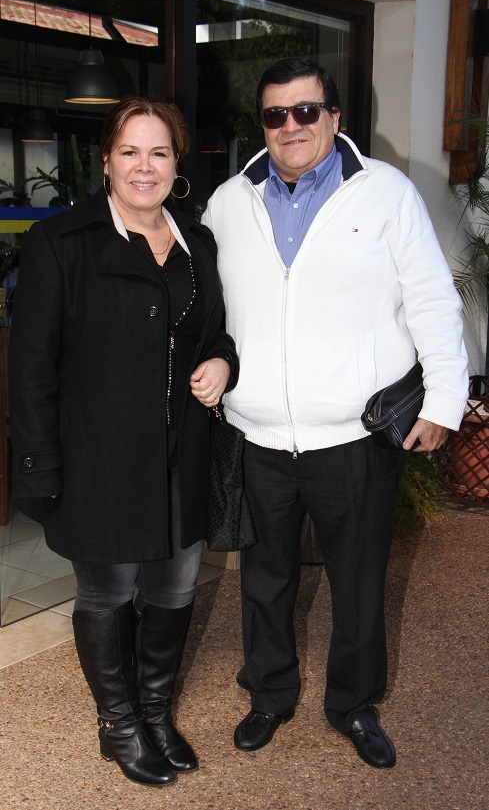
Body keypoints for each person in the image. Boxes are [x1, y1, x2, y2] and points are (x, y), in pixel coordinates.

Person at [201, 58, 468, 769]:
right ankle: (268, 693)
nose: (290, 126)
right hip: (257, 433)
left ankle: (353, 704)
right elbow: (205, 303)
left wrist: (445, 400)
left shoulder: (385, 193)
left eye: (305, 111)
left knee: (357, 582)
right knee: (263, 580)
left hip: (355, 435)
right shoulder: (229, 201)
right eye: (274, 114)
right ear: (262, 124)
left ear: (333, 117)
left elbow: (432, 298)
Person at [9, 96, 238, 788]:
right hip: (98, 459)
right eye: (130, 151)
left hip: (182, 452)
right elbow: (31, 370)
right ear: (105, 160)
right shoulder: (62, 242)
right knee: (108, 591)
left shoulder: (197, 242)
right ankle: (118, 724)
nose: (145, 166)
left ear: (177, 162)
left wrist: (222, 361)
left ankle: (155, 713)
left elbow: (217, 332)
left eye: (159, 151)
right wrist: (40, 469)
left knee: (174, 584)